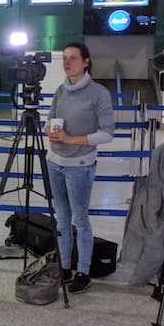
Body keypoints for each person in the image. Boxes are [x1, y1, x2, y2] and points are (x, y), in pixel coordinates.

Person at [46, 42, 115, 294]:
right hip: (55, 162)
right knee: (61, 219)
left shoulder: (99, 93)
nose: (67, 62)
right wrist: (52, 133)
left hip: (80, 165)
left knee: (80, 219)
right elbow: (49, 120)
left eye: (73, 58)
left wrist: (70, 139)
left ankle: (83, 271)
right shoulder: (60, 90)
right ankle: (64, 266)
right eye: (64, 58)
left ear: (86, 62)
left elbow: (107, 134)